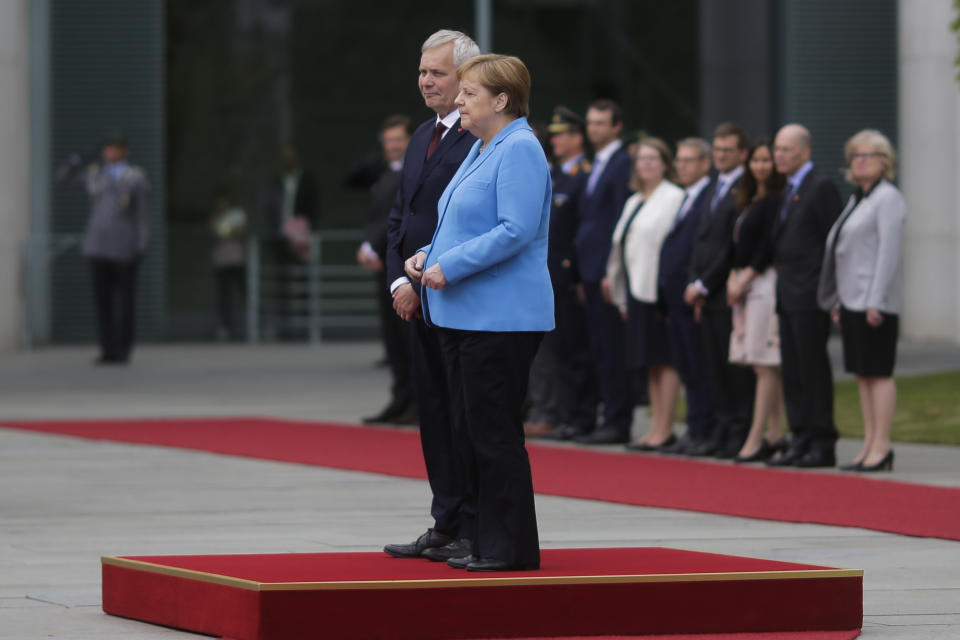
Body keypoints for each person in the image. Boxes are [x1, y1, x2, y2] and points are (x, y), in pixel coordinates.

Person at [406, 53, 552, 572]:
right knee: (470, 432)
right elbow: (460, 218)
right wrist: (429, 255)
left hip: (500, 317)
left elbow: (515, 229)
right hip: (464, 313)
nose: (459, 101)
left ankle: (509, 548)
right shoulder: (483, 147)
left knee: (493, 435)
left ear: (501, 99)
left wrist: (453, 264)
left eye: (469, 94)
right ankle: (482, 539)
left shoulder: (520, 148)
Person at [382, 30, 480, 564]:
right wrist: (400, 281)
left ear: (465, 77)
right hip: (415, 295)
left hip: (453, 293)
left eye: (437, 73)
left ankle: (470, 523)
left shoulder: (479, 137)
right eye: (422, 71)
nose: (426, 81)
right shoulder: (421, 135)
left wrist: (426, 277)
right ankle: (445, 520)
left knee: (464, 414)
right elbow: (400, 215)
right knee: (435, 415)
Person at [818, 130, 905, 472]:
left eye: (868, 155)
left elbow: (888, 252)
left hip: (874, 301)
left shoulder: (888, 198)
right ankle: (870, 443)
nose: (860, 161)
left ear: (885, 162)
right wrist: (838, 299)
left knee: (878, 372)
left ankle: (882, 445)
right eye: (855, 156)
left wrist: (876, 300)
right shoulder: (858, 198)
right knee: (862, 374)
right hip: (851, 299)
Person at [766, 123, 843, 468]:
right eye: (777, 149)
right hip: (787, 293)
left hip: (810, 294)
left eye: (786, 149)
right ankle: (801, 437)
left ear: (805, 152)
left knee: (812, 369)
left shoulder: (821, 187)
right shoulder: (787, 188)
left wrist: (830, 292)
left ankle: (821, 440)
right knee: (793, 370)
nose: (777, 155)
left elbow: (834, 243)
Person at [604, 138, 686, 452]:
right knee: (650, 362)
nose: (647, 163)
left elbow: (669, 247)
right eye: (642, 158)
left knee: (665, 360)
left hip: (659, 291)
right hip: (636, 290)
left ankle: (665, 428)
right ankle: (655, 426)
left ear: (665, 163)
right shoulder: (635, 199)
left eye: (654, 158)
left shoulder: (673, 197)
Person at [683, 122, 756, 458]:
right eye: (718, 150)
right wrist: (695, 281)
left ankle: (738, 431)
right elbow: (703, 241)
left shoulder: (745, 187)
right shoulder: (715, 186)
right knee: (713, 366)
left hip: (726, 290)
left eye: (728, 150)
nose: (722, 156)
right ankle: (722, 428)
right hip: (706, 293)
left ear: (743, 154)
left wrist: (703, 283)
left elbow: (731, 245)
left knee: (734, 369)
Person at [524, 107, 597, 439]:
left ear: (577, 138)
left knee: (572, 349)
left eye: (561, 134)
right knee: (550, 351)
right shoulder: (553, 174)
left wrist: (578, 275)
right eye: (552, 135)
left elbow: (584, 231)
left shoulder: (584, 175)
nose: (554, 140)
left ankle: (575, 415)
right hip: (545, 273)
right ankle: (559, 412)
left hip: (566, 275)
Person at [565, 99, 634, 445]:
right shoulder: (595, 165)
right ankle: (598, 415)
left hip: (607, 271)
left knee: (611, 348)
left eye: (601, 124)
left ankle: (617, 419)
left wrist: (612, 271)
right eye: (590, 123)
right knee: (595, 348)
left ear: (616, 126)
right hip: (589, 269)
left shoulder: (622, 164)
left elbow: (619, 221)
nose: (594, 130)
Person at [343, 115, 418, 425]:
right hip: (386, 264)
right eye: (388, 141)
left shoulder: (414, 173)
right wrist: (369, 247)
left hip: (405, 264)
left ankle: (415, 401)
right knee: (393, 340)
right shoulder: (386, 174)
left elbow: (398, 218)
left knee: (408, 337)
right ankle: (401, 399)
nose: (393, 146)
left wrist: (371, 245)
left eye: (398, 139)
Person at [726, 139, 787, 462]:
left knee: (764, 363)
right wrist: (732, 278)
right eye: (757, 160)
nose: (761, 166)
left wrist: (744, 277)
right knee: (759, 362)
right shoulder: (750, 199)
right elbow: (739, 245)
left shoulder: (777, 200)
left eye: (767, 160)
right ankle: (775, 433)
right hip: (745, 284)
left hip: (763, 282)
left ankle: (757, 435)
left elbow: (767, 246)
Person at [656, 138, 716, 455]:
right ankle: (694, 428)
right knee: (686, 365)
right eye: (678, 160)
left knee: (698, 365)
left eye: (689, 161)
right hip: (675, 297)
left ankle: (703, 429)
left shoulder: (708, 196)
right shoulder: (686, 196)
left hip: (693, 295)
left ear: (705, 164)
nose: (681, 166)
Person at [79, 131, 150, 365]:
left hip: (124, 248)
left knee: (126, 302)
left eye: (115, 148)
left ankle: (123, 349)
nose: (111, 152)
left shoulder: (135, 177)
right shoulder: (96, 174)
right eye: (107, 148)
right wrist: (77, 159)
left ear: (124, 151)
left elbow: (141, 215)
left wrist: (141, 245)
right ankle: (107, 348)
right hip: (97, 246)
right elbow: (62, 178)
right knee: (103, 301)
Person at [210, 192, 247, 341]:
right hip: (221, 261)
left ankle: (251, 324)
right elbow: (215, 232)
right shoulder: (216, 217)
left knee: (244, 292)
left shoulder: (237, 214)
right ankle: (225, 327)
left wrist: (228, 231)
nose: (221, 205)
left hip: (236, 259)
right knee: (223, 296)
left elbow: (239, 231)